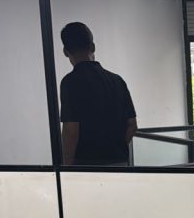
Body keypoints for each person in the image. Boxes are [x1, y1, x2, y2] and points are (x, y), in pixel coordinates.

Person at [59, 22, 138, 165]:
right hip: (120, 163)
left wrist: (67, 167)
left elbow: (71, 130)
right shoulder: (117, 80)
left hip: (86, 166)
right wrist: (115, 150)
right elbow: (132, 125)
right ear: (93, 47)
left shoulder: (70, 82)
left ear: (65, 51)